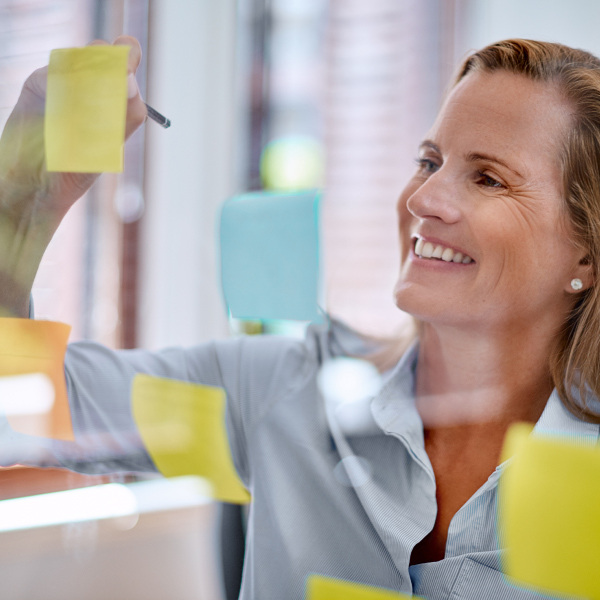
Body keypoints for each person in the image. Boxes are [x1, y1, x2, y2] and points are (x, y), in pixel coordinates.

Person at [0, 35, 598, 599]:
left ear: (586, 253)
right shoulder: (273, 392)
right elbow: (16, 405)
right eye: (428, 161)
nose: (422, 200)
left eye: (488, 178)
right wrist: (28, 189)